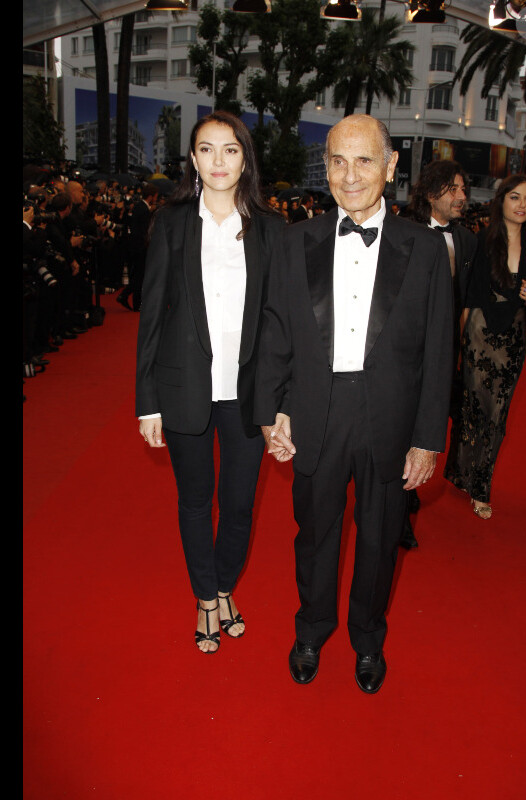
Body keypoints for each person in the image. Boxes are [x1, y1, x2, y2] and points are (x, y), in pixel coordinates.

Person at [254, 114, 454, 694]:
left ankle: (367, 637)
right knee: (314, 531)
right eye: (337, 161)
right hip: (315, 410)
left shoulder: (424, 248)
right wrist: (272, 411)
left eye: (364, 160)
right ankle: (312, 628)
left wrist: (427, 436)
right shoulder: (297, 242)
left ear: (391, 167)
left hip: (390, 416)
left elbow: (440, 351)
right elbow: (275, 334)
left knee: (379, 534)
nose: (349, 175)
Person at [135, 111, 284, 654]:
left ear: (246, 158)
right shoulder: (172, 221)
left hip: (247, 394)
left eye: (230, 150)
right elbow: (151, 313)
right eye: (206, 150)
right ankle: (205, 597)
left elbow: (278, 322)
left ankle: (224, 586)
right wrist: (146, 401)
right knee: (195, 501)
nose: (218, 161)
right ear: (193, 159)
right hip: (183, 389)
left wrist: (280, 400)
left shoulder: (270, 228)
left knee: (240, 504)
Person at [443, 174, 526, 519]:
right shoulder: (484, 240)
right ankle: (461, 471)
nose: (522, 205)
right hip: (480, 335)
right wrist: (459, 342)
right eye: (515, 197)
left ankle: (481, 487)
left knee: (498, 415)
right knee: (474, 409)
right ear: (502, 201)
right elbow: (471, 296)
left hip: (513, 337)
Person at [404, 160, 479, 546]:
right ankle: (398, 509)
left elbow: (465, 300)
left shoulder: (466, 240)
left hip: (445, 349)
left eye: (464, 189)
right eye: (454, 189)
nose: (462, 197)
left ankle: (410, 481)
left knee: (430, 419)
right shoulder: (406, 233)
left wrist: (457, 352)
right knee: (402, 421)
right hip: (407, 350)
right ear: (431, 191)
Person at [117, 183, 159, 312]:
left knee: (139, 275)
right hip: (140, 247)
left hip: (137, 246)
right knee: (139, 276)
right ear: (151, 196)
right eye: (156, 196)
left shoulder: (140, 207)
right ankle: (127, 297)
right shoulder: (142, 208)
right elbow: (143, 230)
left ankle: (135, 301)